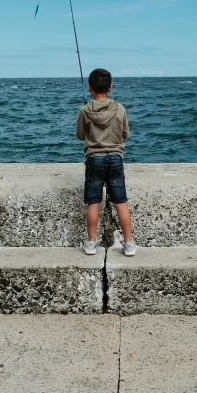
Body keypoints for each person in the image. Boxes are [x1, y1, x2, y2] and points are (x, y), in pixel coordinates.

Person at [76, 68, 136, 256]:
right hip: (116, 159)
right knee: (121, 203)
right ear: (110, 88)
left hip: (94, 159)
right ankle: (128, 244)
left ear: (90, 88)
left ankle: (92, 244)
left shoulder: (85, 111)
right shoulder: (120, 109)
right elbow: (125, 134)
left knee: (94, 203)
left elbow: (80, 135)